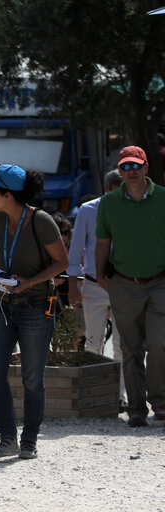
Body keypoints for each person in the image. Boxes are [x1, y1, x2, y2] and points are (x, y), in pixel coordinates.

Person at [0, 164, 68, 459]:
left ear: (8, 193)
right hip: (0, 305)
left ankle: (29, 440)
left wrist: (30, 282)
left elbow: (61, 263)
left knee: (32, 378)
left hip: (37, 307)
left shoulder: (42, 221)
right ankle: (7, 439)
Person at [96, 146, 165, 427]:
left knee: (160, 342)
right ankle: (136, 408)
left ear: (147, 168)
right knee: (130, 347)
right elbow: (103, 242)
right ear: (119, 172)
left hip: (160, 281)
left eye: (136, 166)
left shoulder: (163, 198)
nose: (131, 171)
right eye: (125, 167)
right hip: (123, 282)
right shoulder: (109, 202)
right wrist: (101, 276)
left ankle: (159, 399)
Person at [67, 170, 126, 410]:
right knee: (93, 341)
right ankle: (92, 393)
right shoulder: (88, 210)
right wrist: (73, 284)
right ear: (108, 188)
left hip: (123, 283)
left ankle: (118, 396)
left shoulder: (131, 209)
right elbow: (76, 247)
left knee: (124, 344)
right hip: (93, 281)